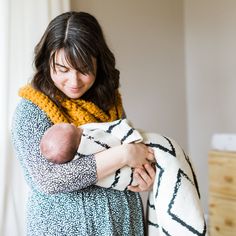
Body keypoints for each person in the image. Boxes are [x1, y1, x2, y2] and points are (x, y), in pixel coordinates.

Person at [11, 11, 156, 236]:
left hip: (124, 227)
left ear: (99, 62)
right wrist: (124, 155)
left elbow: (131, 151)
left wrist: (143, 178)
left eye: (84, 69)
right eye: (63, 69)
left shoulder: (109, 102)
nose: (74, 81)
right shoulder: (31, 110)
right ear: (46, 61)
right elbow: (49, 180)